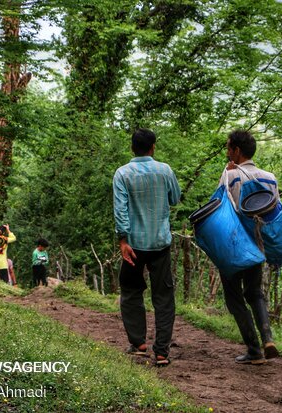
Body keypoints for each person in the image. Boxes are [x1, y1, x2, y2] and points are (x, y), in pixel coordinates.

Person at [113, 128, 181, 366]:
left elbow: (120, 210)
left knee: (131, 292)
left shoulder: (122, 174)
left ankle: (139, 343)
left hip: (133, 245)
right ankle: (162, 352)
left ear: (133, 147)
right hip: (160, 243)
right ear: (153, 147)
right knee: (163, 296)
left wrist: (123, 240)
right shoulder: (165, 170)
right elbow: (174, 198)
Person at [219, 129, 280, 365]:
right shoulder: (269, 178)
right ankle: (268, 339)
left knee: (234, 297)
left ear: (236, 150)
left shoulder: (230, 176)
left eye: (228, 148)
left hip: (233, 246)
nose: (227, 152)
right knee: (255, 293)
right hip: (258, 244)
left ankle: (254, 350)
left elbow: (221, 208)